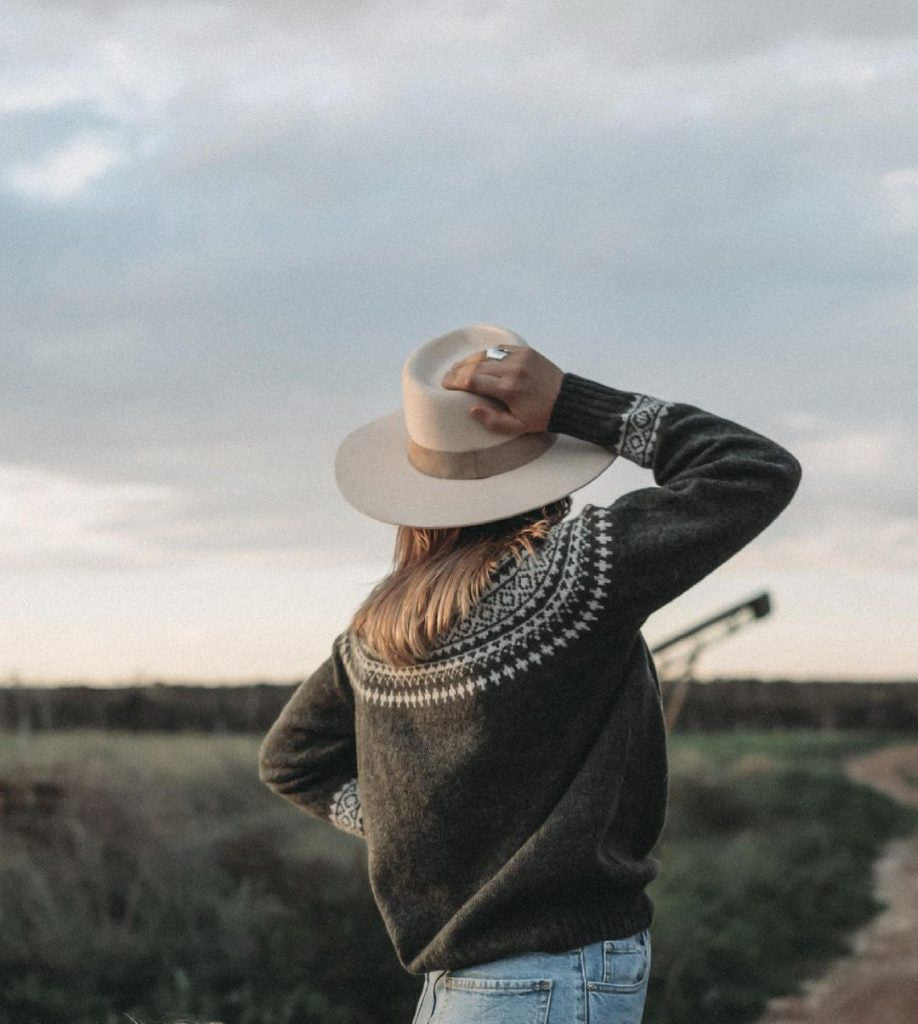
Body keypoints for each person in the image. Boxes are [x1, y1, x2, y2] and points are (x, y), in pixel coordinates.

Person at [258, 324, 801, 1023]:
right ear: (542, 472)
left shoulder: (377, 633)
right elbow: (754, 470)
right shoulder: (572, 578)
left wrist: (406, 824)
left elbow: (291, 761)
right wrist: (573, 402)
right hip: (557, 979)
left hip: (453, 990)